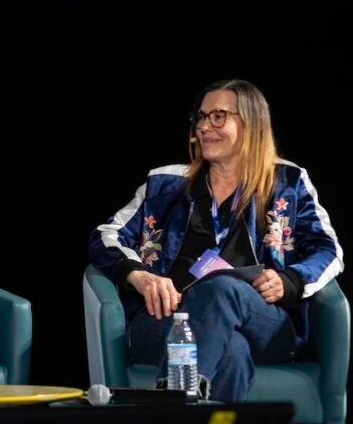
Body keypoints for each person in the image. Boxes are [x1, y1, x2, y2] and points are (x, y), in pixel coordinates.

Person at [89, 79, 343, 401]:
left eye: (218, 116)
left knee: (220, 288)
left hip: (262, 322)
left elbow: (328, 249)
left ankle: (170, 410)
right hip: (166, 320)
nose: (204, 127)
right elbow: (104, 235)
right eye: (201, 117)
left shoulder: (288, 182)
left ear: (251, 124)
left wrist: (289, 280)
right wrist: (138, 274)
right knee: (232, 351)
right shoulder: (164, 184)